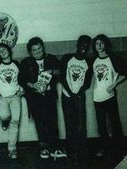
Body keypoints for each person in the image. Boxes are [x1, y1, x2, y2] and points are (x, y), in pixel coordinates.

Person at [19, 37, 66, 159]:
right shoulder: (26, 62)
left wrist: (51, 71)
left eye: (39, 48)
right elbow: (21, 79)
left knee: (52, 121)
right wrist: (32, 85)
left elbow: (62, 71)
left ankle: (55, 147)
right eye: (34, 50)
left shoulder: (51, 58)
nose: (38, 51)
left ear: (43, 47)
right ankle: (44, 148)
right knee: (40, 122)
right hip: (35, 97)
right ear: (30, 52)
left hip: (49, 95)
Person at [60, 35, 92, 163]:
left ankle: (80, 151)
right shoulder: (67, 58)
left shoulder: (88, 62)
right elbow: (62, 77)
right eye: (82, 45)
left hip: (79, 96)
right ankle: (70, 150)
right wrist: (71, 93)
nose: (84, 48)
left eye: (86, 46)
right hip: (67, 95)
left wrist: (78, 93)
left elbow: (87, 83)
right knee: (69, 123)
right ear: (77, 45)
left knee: (80, 124)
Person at [92, 34, 126, 157]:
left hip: (109, 96)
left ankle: (120, 149)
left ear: (105, 44)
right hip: (97, 97)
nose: (99, 46)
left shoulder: (112, 58)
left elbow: (125, 72)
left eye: (101, 43)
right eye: (97, 43)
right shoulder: (94, 60)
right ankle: (104, 147)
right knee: (101, 126)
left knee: (115, 123)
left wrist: (114, 84)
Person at [0, 43, 23, 159]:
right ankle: (5, 120)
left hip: (15, 97)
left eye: (4, 49)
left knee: (15, 122)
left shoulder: (16, 64)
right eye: (0, 51)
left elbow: (22, 80)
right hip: (2, 97)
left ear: (8, 50)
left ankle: (12, 149)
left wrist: (22, 90)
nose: (3, 51)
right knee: (4, 116)